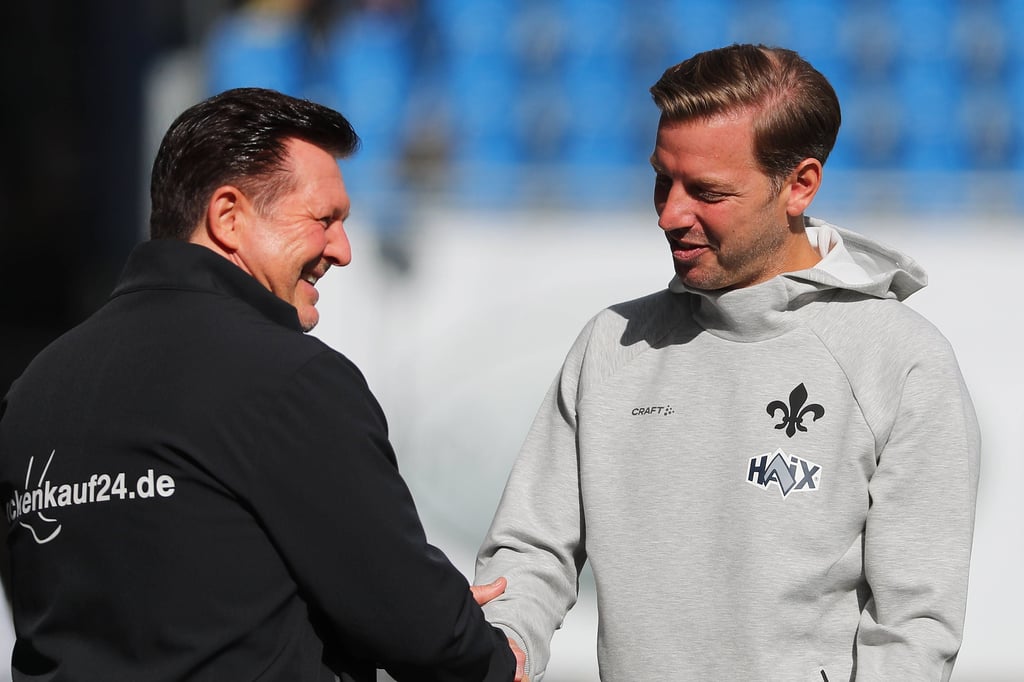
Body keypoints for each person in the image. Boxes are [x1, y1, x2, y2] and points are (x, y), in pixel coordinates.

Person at [474, 44, 980, 681]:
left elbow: (915, 625)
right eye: (662, 179)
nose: (669, 214)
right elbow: (530, 549)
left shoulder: (902, 361)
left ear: (799, 185)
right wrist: (507, 642)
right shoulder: (612, 343)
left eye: (707, 193)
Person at [0, 87, 524, 681]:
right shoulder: (290, 379)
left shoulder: (31, 393)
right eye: (324, 219)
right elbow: (416, 625)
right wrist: (483, 651)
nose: (342, 251)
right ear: (228, 217)